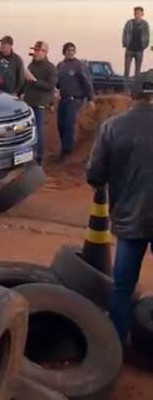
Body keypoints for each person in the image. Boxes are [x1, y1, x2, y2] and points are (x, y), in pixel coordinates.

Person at [86, 70, 153, 342]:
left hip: (129, 217)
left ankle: (116, 345)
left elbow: (95, 176)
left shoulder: (112, 127)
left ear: (131, 95)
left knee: (123, 285)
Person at [56, 43, 94, 160]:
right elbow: (57, 83)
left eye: (73, 50)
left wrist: (90, 98)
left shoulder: (79, 65)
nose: (70, 52)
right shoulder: (60, 65)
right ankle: (63, 150)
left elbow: (87, 82)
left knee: (68, 125)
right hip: (63, 99)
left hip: (75, 100)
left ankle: (67, 153)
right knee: (60, 125)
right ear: (64, 51)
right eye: (68, 50)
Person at [23, 41, 57, 166]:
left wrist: (34, 80)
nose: (35, 53)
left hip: (39, 104)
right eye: (35, 50)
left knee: (37, 131)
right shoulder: (32, 65)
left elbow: (50, 86)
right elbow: (26, 82)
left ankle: (39, 158)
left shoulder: (50, 68)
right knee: (27, 131)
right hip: (28, 102)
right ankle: (28, 156)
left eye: (38, 50)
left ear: (45, 52)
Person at [122, 6, 150, 78]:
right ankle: (126, 87)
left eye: (138, 13)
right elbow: (125, 33)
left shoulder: (145, 24)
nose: (137, 15)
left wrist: (144, 46)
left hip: (139, 51)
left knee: (137, 71)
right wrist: (125, 44)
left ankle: (136, 87)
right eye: (135, 13)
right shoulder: (129, 23)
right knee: (126, 70)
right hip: (129, 50)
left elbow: (147, 36)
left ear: (142, 14)